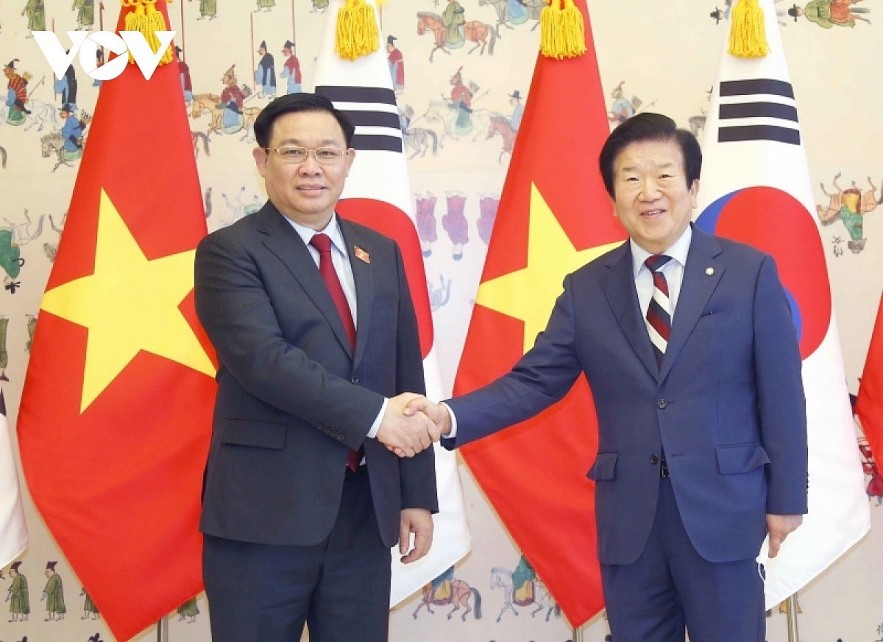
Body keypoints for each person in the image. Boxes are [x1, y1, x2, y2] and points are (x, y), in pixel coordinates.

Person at [409, 112, 808, 642]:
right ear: (612, 195)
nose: (650, 191)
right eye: (631, 177)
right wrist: (449, 414)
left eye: (665, 175)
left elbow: (781, 394)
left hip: (724, 513)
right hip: (631, 523)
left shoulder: (748, 272)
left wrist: (786, 498)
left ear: (692, 187)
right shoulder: (587, 288)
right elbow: (533, 382)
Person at [194, 92, 439, 642]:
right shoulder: (229, 252)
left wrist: (416, 494)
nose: (312, 168)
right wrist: (378, 417)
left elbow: (405, 376)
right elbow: (265, 362)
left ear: (349, 162)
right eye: (292, 152)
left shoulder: (381, 250)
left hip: (364, 512)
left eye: (327, 153)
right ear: (262, 162)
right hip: (264, 515)